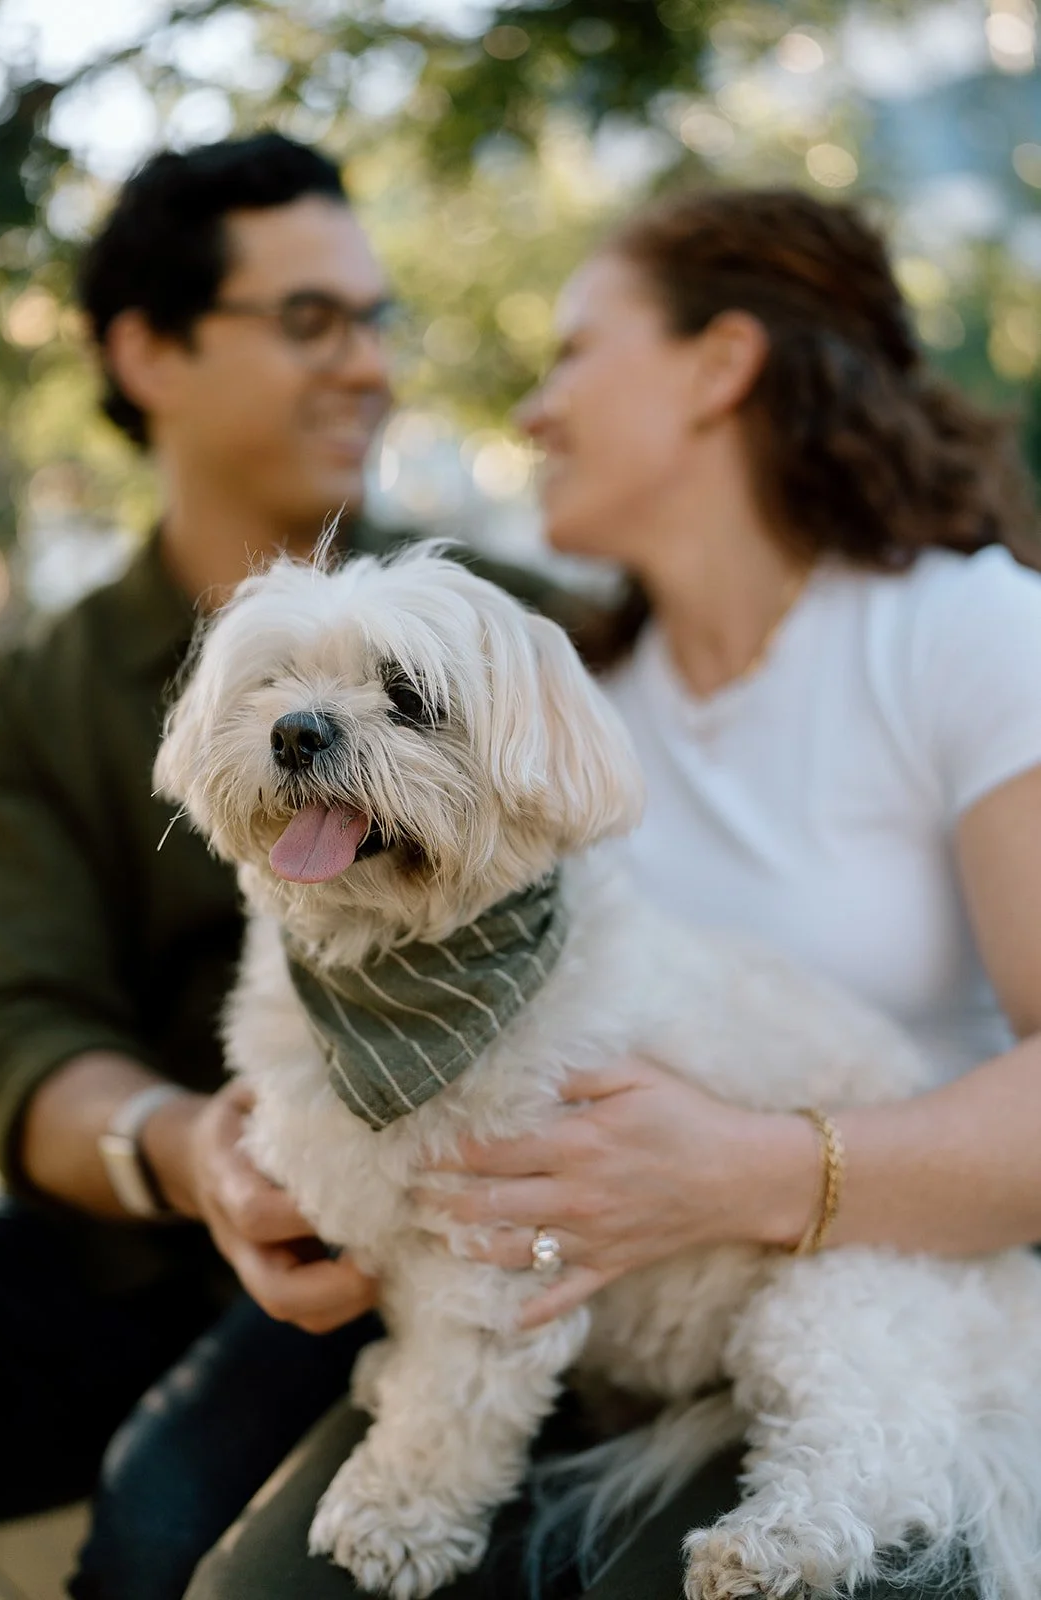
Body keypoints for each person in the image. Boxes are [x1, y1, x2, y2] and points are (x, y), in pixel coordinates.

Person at [186, 188, 1041, 1599]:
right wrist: (261, 1170)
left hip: (897, 1293)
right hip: (539, 1316)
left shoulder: (972, 636)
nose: (530, 410)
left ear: (720, 366)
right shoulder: (560, 684)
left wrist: (750, 1171)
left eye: (574, 352)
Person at [0, 131, 589, 1600]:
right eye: (308, 320)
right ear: (146, 351)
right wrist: (187, 1154)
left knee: (163, 1527)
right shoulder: (29, 692)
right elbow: (19, 1026)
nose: (367, 366)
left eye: (375, 321)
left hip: (438, 1235)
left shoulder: (505, 627)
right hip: (148, 1230)